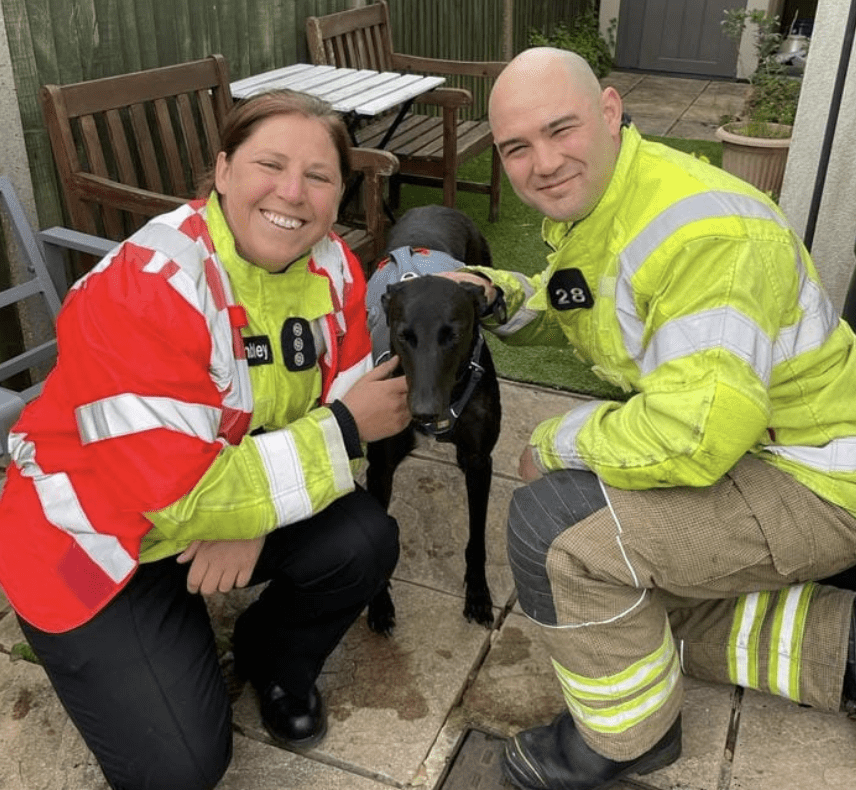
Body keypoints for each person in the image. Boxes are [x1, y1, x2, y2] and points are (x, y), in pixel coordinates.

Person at [444, 47, 856, 790]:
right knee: (628, 613)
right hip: (767, 446)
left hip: (813, 477)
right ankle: (847, 651)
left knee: (557, 536)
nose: (542, 162)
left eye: (559, 130)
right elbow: (575, 296)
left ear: (608, 112)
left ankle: (627, 739)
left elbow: (694, 436)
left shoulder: (701, 233)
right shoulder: (614, 201)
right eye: (516, 147)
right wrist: (495, 294)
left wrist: (555, 441)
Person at [0, 89, 410, 790]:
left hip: (218, 501)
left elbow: (371, 405)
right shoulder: (150, 288)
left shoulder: (335, 265)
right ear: (222, 171)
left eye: (319, 175)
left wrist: (254, 515)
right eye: (270, 164)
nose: (293, 192)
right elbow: (343, 424)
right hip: (93, 545)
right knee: (180, 769)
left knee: (366, 540)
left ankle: (271, 657)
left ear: (342, 191)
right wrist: (334, 434)